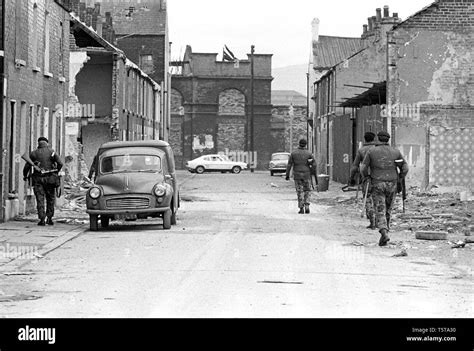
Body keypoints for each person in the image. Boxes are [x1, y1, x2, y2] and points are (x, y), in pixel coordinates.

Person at [361, 131, 408, 246]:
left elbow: (363, 168)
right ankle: (385, 230)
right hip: (392, 183)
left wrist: (366, 177)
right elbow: (405, 167)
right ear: (388, 140)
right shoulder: (396, 152)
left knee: (380, 208)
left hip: (377, 183)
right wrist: (400, 177)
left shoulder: (372, 151)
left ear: (378, 139)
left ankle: (383, 231)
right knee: (388, 209)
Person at [23, 137, 63, 226]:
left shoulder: (33, 153)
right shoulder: (52, 152)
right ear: (47, 143)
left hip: (38, 180)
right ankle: (49, 218)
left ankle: (42, 219)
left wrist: (25, 175)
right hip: (50, 179)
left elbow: (27, 166)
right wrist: (56, 171)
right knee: (50, 199)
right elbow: (60, 163)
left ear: (38, 144)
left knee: (40, 199)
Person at [349, 132, 377, 229]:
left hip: (366, 178)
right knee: (379, 199)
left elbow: (355, 166)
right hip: (379, 178)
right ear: (374, 139)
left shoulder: (361, 151)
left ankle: (372, 220)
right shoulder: (378, 149)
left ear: (365, 139)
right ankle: (379, 220)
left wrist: (352, 178)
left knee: (367, 198)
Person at [285, 139, 317, 214]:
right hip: (306, 175)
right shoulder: (309, 153)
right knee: (307, 190)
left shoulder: (293, 153)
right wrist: (312, 171)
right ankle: (307, 205)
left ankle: (301, 207)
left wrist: (287, 175)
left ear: (299, 144)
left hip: (297, 175)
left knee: (300, 191)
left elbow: (289, 165)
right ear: (305, 144)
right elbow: (314, 164)